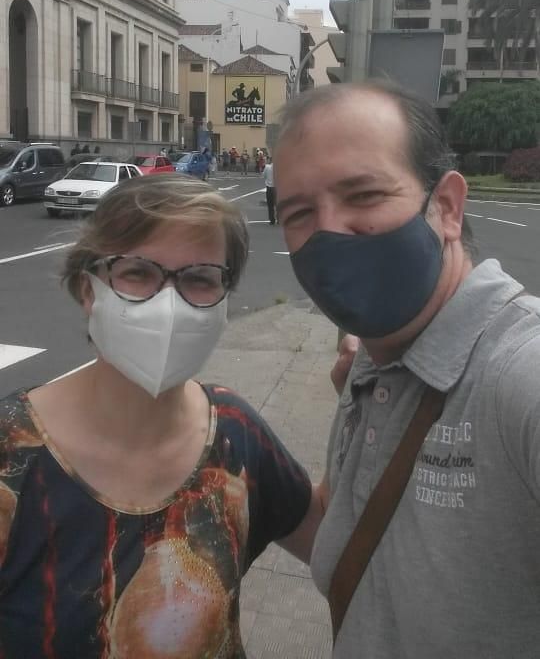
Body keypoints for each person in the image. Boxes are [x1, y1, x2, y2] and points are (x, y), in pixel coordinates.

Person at [0, 174, 327, 657]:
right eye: (137, 272)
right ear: (88, 289)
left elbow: (336, 545)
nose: (168, 304)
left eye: (199, 279)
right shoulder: (12, 456)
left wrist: (368, 411)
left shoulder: (234, 434)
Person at [274, 80, 540, 659]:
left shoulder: (521, 372)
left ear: (445, 206)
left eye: (363, 196)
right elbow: (351, 533)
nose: (329, 232)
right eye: (299, 213)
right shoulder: (372, 364)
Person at [262, 156, 276, 225]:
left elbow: (263, 176)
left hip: (269, 188)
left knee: (270, 205)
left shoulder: (267, 167)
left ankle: (272, 220)